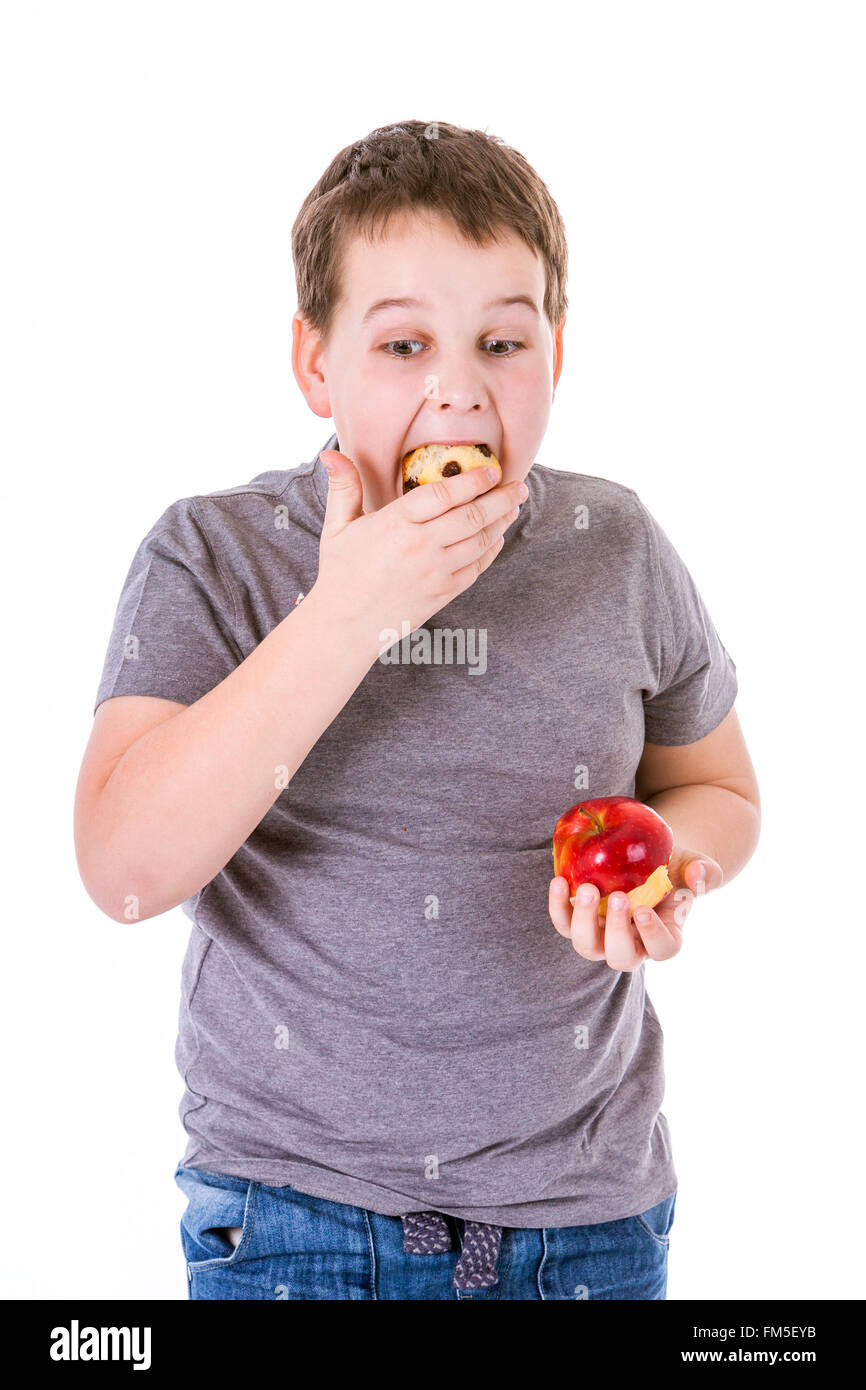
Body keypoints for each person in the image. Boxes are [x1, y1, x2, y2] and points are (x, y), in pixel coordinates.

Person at [74, 119, 761, 1300]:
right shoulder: (214, 555)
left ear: (557, 353)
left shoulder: (618, 549)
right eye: (401, 344)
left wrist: (670, 864)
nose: (457, 390)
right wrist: (347, 617)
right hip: (289, 1220)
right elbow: (124, 869)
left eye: (502, 339)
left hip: (583, 1227)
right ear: (313, 365)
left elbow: (718, 788)